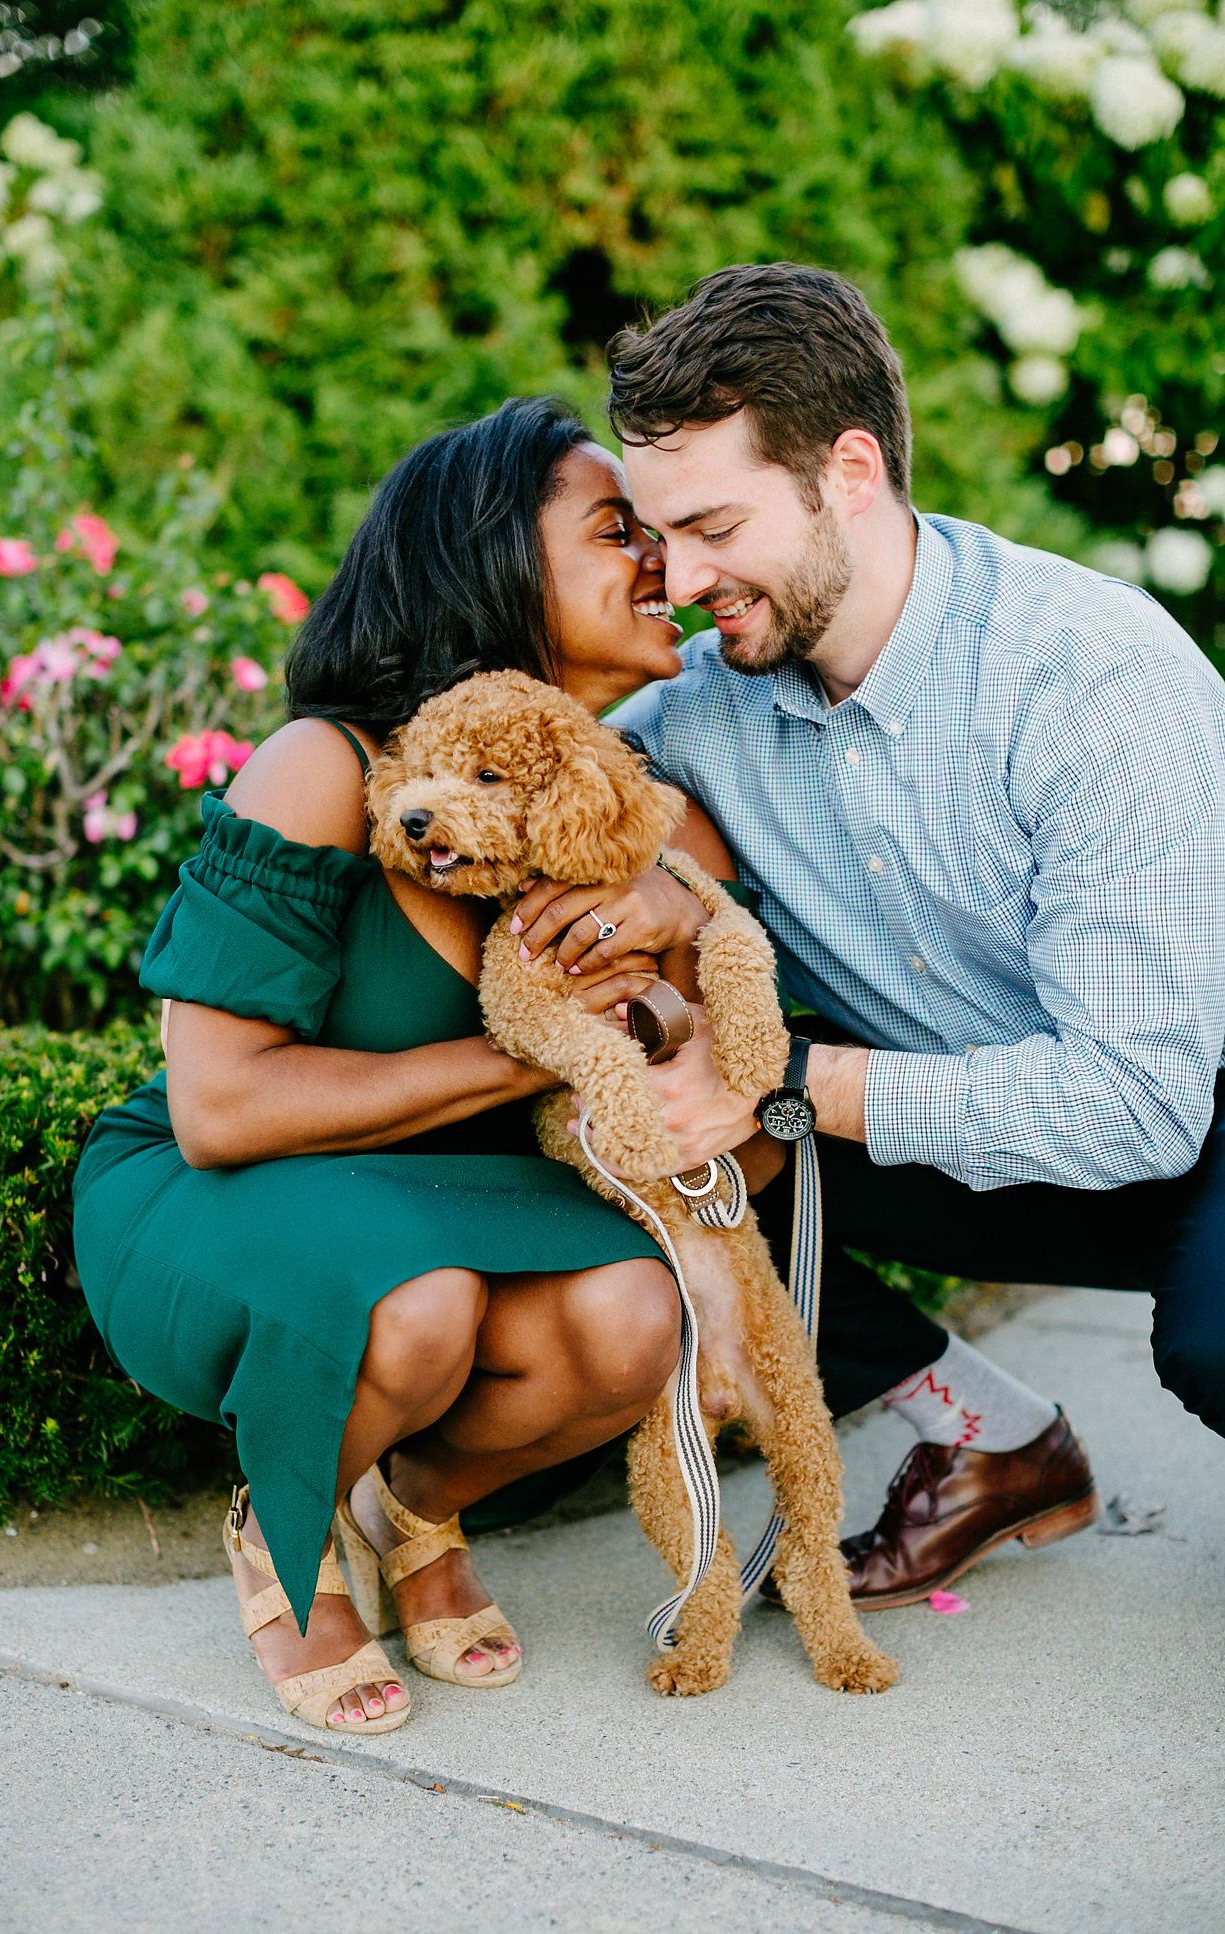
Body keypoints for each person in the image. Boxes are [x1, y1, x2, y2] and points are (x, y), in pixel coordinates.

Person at [513, 263, 1225, 1611]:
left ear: (847, 469)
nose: (679, 577)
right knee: (622, 1124)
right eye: (658, 535)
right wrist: (665, 875)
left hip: (1189, 1111)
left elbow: (1140, 1106)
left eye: (713, 524)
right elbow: (577, 793)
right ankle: (995, 1439)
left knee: (1219, 1341)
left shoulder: (1090, 681)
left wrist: (784, 1081)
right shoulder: (713, 690)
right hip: (951, 1114)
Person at [72, 396, 750, 1736]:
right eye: (617, 530)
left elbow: (705, 1083)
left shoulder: (637, 812)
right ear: (487, 562)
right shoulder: (324, 770)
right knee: (421, 1302)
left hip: (444, 1202)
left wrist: (682, 938)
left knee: (628, 1319)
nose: (662, 561)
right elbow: (220, 1105)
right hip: (219, 1187)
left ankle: (410, 1506)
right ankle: (291, 1522)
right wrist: (525, 1049)